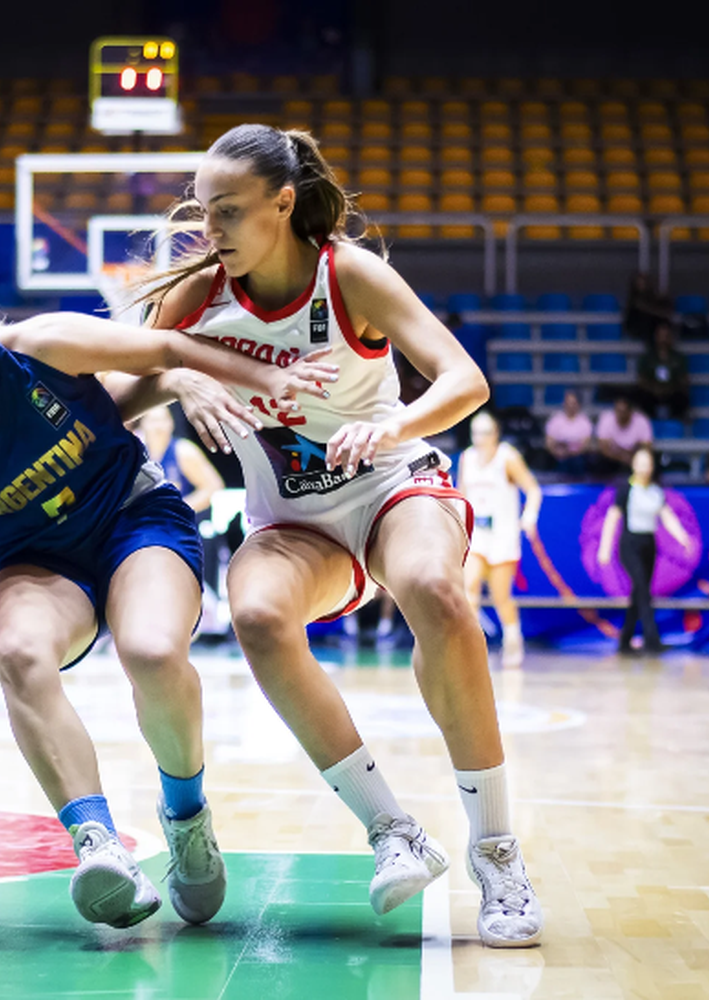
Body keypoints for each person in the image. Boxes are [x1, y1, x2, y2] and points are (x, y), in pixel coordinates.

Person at [131, 124, 543, 945]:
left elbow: (466, 380)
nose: (210, 231)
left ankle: (497, 850)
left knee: (432, 588)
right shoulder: (196, 294)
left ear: (283, 204)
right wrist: (176, 375)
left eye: (229, 213)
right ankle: (394, 830)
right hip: (290, 520)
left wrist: (394, 427)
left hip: (393, 485)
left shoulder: (347, 272)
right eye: (203, 212)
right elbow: (119, 380)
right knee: (253, 615)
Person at [0, 264, 336, 929]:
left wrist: (255, 378)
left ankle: (186, 817)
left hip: (134, 516)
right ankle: (97, 843)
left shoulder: (41, 346)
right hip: (40, 563)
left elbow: (169, 347)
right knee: (16, 651)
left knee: (150, 650)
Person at [459, 411, 542, 668]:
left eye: (484, 432)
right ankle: (473, 645)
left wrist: (529, 516)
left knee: (500, 596)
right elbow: (462, 493)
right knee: (468, 587)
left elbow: (533, 489)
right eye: (475, 432)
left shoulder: (508, 457)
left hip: (503, 536)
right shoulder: (467, 458)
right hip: (477, 536)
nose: (479, 438)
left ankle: (513, 638)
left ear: (495, 435)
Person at [597, 445, 694, 655]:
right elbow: (612, 517)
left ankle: (624, 642)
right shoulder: (626, 489)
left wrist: (683, 538)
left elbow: (667, 516)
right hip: (629, 544)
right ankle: (652, 640)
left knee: (640, 593)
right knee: (642, 589)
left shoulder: (656, 491)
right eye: (639, 462)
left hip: (649, 544)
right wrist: (604, 548)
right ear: (633, 464)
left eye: (647, 463)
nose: (643, 467)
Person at [135, 406, 225, 514]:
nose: (159, 426)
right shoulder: (135, 454)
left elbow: (213, 486)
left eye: (163, 420)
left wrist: (179, 508)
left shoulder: (183, 451)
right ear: (142, 425)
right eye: (153, 421)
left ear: (171, 423)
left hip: (176, 524)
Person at [635, 320, 689, 419]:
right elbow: (641, 380)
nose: (663, 340)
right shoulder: (647, 357)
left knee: (682, 397)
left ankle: (676, 421)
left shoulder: (678, 357)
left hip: (672, 392)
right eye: (661, 336)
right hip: (652, 392)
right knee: (640, 395)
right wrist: (654, 388)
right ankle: (647, 420)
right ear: (656, 337)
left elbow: (684, 380)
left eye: (666, 336)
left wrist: (670, 388)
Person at [595, 395, 653, 475]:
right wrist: (621, 457)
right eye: (618, 411)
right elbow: (603, 448)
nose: (620, 415)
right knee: (597, 460)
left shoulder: (641, 420)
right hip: (613, 458)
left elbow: (646, 447)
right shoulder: (606, 419)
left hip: (634, 457)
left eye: (623, 412)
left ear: (630, 412)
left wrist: (635, 458)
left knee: (648, 460)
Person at [543, 389, 593, 476]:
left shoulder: (584, 421)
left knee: (577, 462)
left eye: (573, 403)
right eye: (568, 402)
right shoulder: (555, 420)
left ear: (578, 404)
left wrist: (569, 452)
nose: (570, 406)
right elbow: (549, 443)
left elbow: (586, 445)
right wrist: (557, 452)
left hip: (577, 457)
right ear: (564, 403)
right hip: (558, 456)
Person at [623, 272, 671, 344]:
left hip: (652, 328)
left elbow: (665, 311)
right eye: (639, 284)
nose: (642, 286)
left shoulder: (654, 300)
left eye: (643, 283)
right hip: (637, 329)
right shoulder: (634, 302)